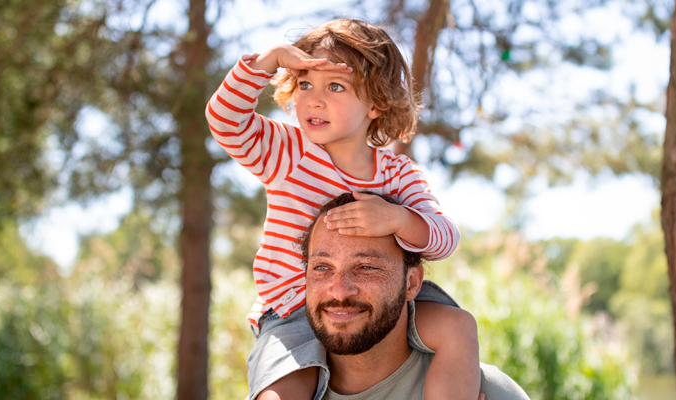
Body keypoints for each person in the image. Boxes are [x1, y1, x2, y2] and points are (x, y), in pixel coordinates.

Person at [204, 19, 480, 400]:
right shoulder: (288, 152)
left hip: (381, 301)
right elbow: (225, 121)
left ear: (376, 103)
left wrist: (398, 218)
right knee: (279, 395)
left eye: (335, 86)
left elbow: (445, 239)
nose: (314, 100)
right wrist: (270, 60)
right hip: (293, 308)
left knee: (459, 326)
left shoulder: (397, 174)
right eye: (305, 85)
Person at [299, 193, 530, 399]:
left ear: (412, 283)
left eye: (367, 267)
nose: (340, 291)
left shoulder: (486, 391)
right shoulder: (282, 389)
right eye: (322, 267)